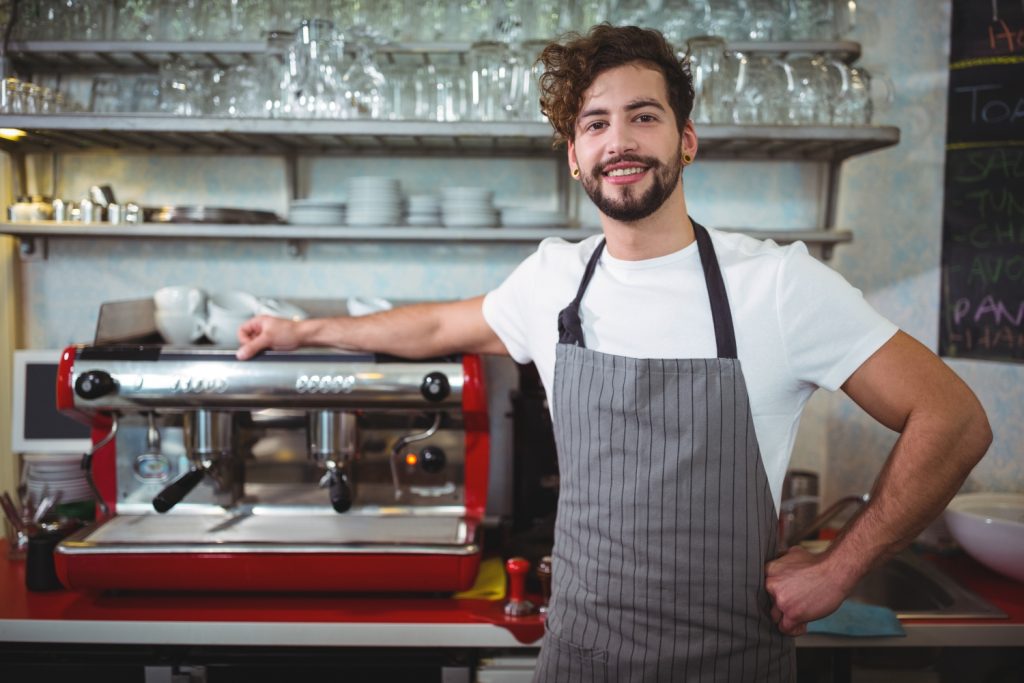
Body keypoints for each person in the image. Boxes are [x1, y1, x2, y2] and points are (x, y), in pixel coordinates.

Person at [237, 24, 991, 683]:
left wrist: (841, 567)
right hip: (581, 658)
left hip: (730, 664)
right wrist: (298, 332)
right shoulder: (553, 279)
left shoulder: (778, 284)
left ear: (685, 140)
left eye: (643, 116)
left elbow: (953, 419)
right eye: (595, 123)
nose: (619, 140)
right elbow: (437, 329)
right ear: (574, 156)